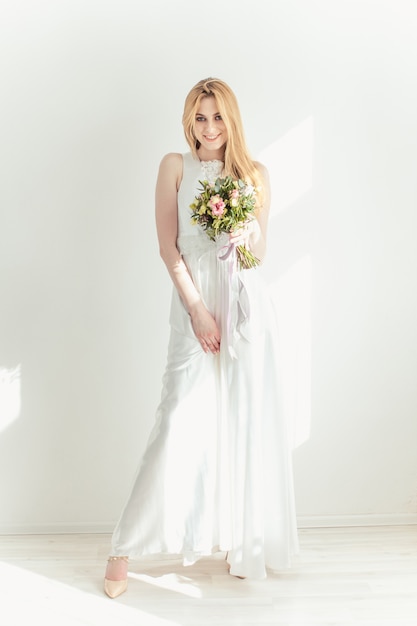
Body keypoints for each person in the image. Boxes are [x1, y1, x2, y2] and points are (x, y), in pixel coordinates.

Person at [104, 77, 298, 598]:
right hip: (195, 309)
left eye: (217, 117)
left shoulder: (255, 174)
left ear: (230, 119)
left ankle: (243, 542)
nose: (208, 128)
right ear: (188, 121)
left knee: (242, 423)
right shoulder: (175, 166)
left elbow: (258, 255)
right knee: (175, 420)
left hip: (244, 309)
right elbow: (169, 249)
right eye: (199, 117)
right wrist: (196, 310)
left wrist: (246, 234)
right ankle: (122, 547)